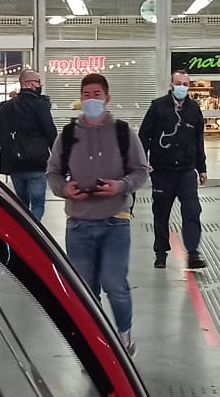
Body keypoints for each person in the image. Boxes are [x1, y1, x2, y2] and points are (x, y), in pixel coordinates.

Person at [47, 73, 149, 354]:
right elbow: (53, 173)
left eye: (97, 94)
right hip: (78, 224)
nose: (92, 99)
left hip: (115, 221)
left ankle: (124, 336)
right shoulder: (67, 136)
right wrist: (64, 189)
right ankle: (95, 343)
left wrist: (121, 186)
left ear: (107, 98)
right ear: (81, 99)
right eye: (87, 95)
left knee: (115, 284)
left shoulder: (123, 132)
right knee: (86, 290)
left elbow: (141, 172)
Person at [141, 68, 209, 270]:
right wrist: (143, 161)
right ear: (171, 84)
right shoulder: (158, 107)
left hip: (186, 171)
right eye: (178, 83)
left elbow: (199, 140)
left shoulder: (194, 109)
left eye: (185, 84)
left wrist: (202, 168)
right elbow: (144, 135)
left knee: (192, 210)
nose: (181, 87)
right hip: (162, 171)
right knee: (161, 213)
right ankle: (160, 252)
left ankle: (193, 252)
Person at [0, 67, 57, 220]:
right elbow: (50, 132)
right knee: (37, 205)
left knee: (22, 205)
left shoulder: (5, 107)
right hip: (37, 163)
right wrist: (58, 160)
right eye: (38, 81)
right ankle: (31, 235)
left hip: (14, 163)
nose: (40, 85)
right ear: (27, 84)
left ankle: (22, 232)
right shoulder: (40, 105)